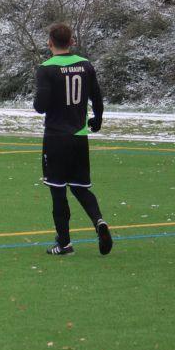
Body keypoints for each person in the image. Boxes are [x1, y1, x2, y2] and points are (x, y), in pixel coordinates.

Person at [33, 22, 113, 256]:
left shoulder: (46, 69)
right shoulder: (85, 65)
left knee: (58, 190)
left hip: (56, 137)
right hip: (79, 136)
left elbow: (41, 106)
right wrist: (98, 119)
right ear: (71, 42)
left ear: (50, 43)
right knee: (80, 187)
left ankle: (65, 243)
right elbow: (97, 97)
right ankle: (99, 221)